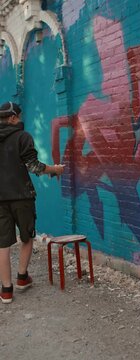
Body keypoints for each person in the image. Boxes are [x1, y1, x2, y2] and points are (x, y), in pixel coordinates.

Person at [0, 101, 64, 304]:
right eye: (18, 116)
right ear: (12, 118)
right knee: (27, 237)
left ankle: (6, 290)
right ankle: (21, 278)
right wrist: (55, 169)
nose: (20, 119)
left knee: (3, 244)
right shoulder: (22, 137)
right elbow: (34, 166)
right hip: (22, 197)